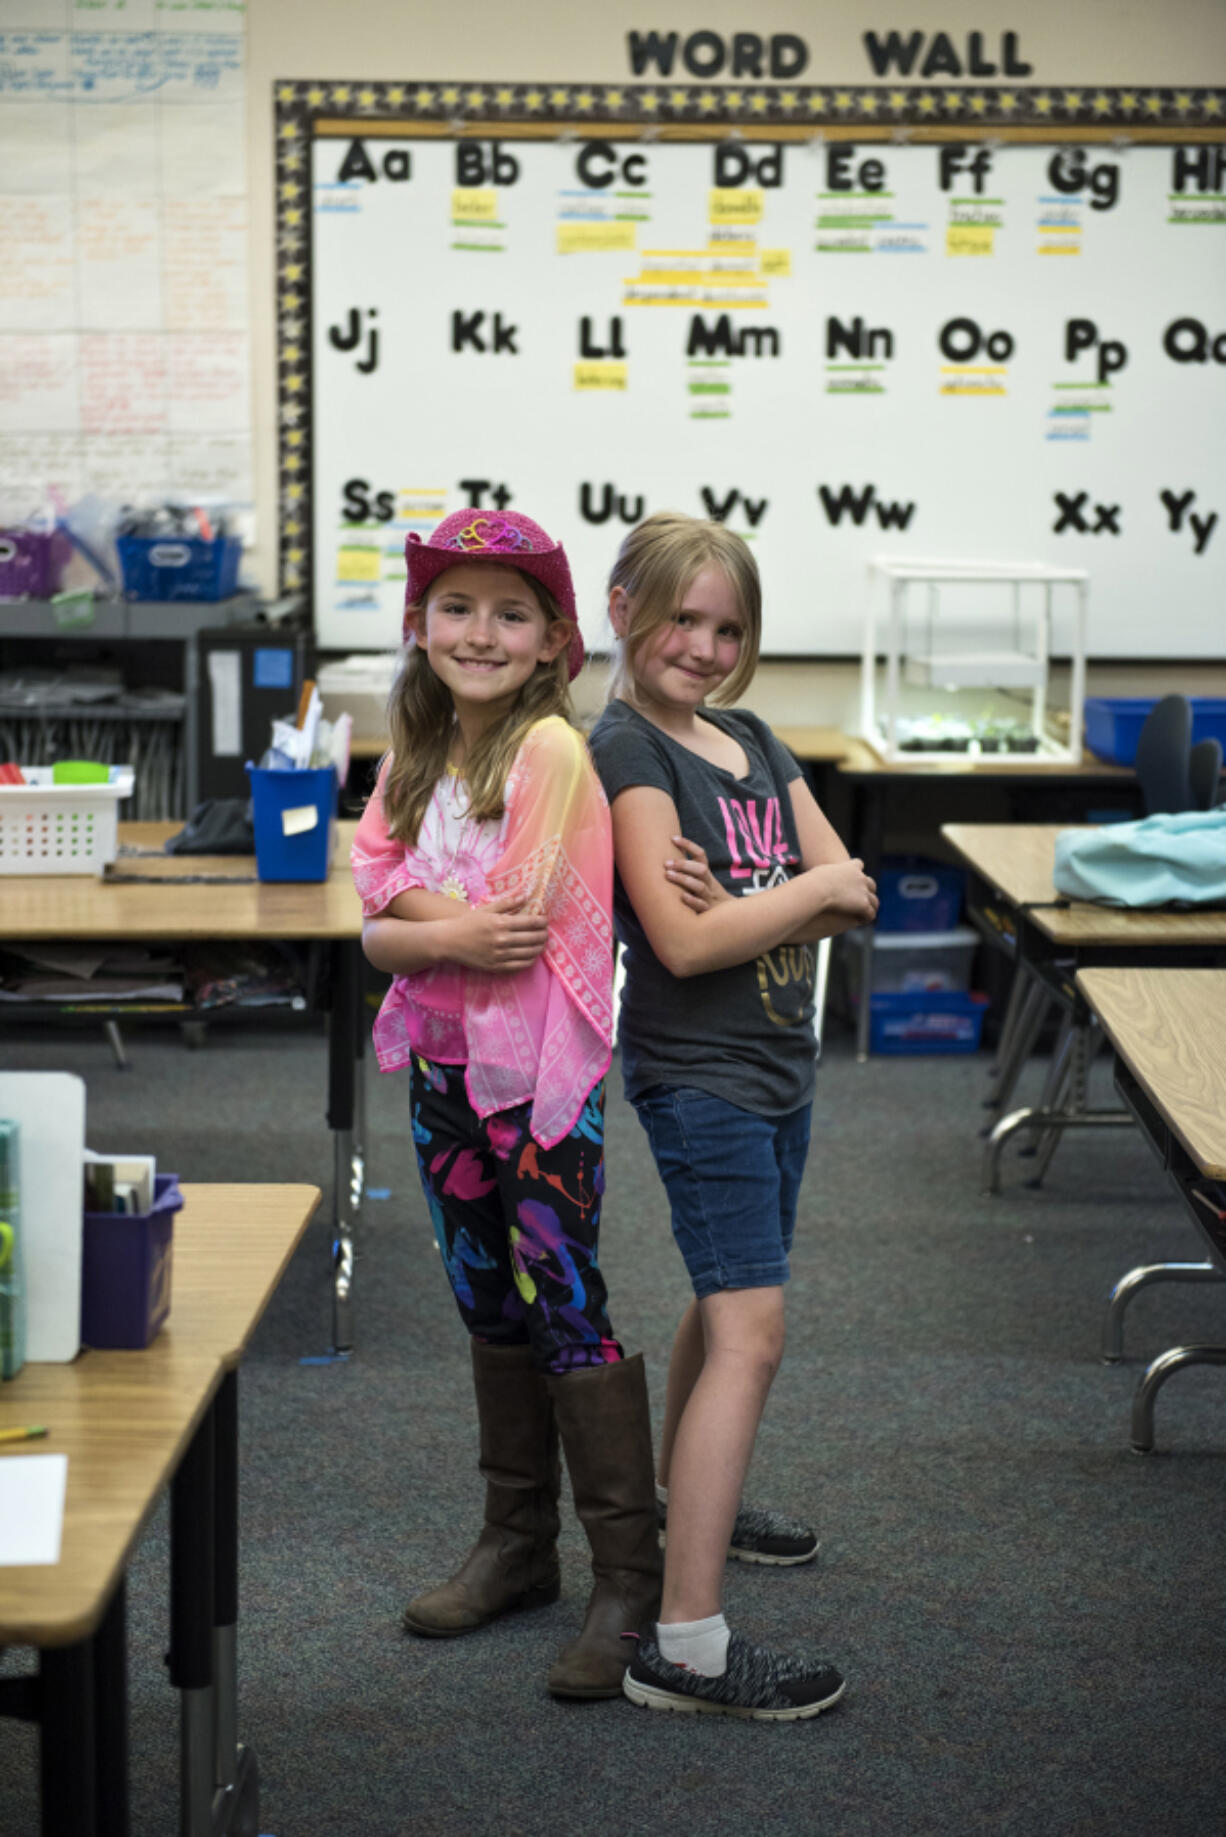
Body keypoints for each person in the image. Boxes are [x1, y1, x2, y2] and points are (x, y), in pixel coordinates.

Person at [352, 508, 660, 1700]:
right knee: (486, 1300)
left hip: (536, 1086)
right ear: (420, 625)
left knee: (564, 1300)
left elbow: (513, 918)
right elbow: (375, 900)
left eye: (512, 612)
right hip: (444, 1072)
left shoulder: (548, 754)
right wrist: (432, 925)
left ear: (551, 644)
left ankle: (625, 1578)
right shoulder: (413, 758)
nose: (479, 632)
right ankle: (517, 1546)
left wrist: (414, 925)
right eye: (456, 607)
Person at [588, 511, 879, 1721]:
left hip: (775, 1065)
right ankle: (685, 1647)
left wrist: (778, 894)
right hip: (696, 1075)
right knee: (754, 1331)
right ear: (620, 608)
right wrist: (790, 894)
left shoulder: (749, 737)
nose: (704, 647)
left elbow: (851, 890)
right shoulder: (623, 752)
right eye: (681, 619)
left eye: (729, 627)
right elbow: (683, 938)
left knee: (726, 1299)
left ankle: (682, 1495)